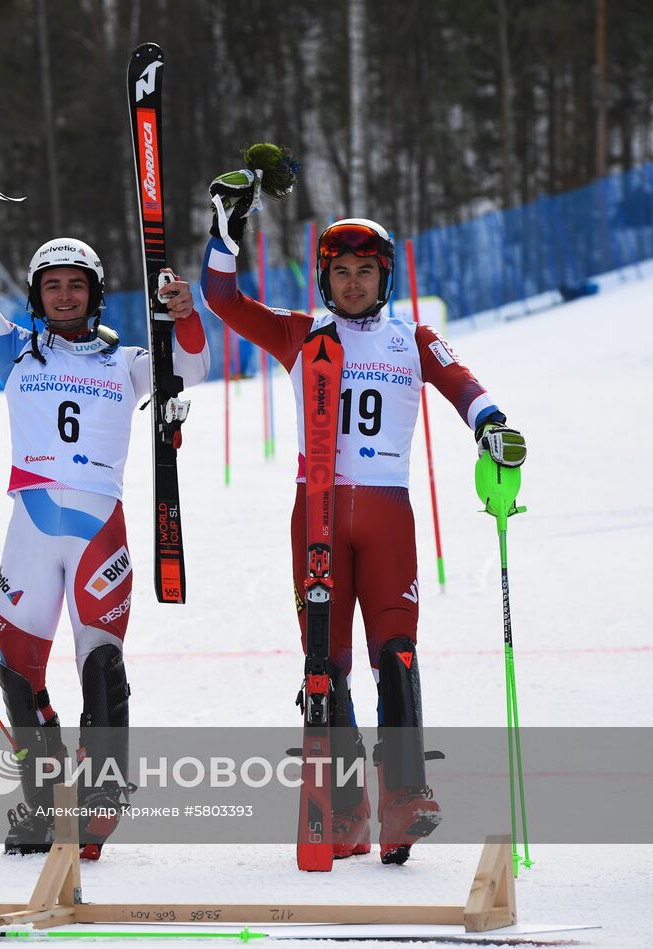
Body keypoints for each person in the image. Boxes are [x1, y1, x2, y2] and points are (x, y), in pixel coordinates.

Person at [200, 176, 527, 865]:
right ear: (324, 277)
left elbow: (462, 381)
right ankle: (343, 811)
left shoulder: (413, 337)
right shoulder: (300, 333)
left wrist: (491, 423)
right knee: (327, 661)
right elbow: (222, 299)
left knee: (396, 651)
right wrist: (224, 234)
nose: (352, 284)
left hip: (385, 513)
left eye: (365, 272)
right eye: (340, 272)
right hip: (315, 512)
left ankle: (404, 799)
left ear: (384, 277)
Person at [0, 149, 211, 860]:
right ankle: (43, 801)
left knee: (100, 666)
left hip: (100, 531)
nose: (65, 296)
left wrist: (184, 313)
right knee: (18, 670)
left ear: (96, 293)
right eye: (53, 286)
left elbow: (191, 367)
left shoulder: (128, 360)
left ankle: (101, 803)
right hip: (31, 527)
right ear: (37, 293)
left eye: (77, 286)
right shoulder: (13, 350)